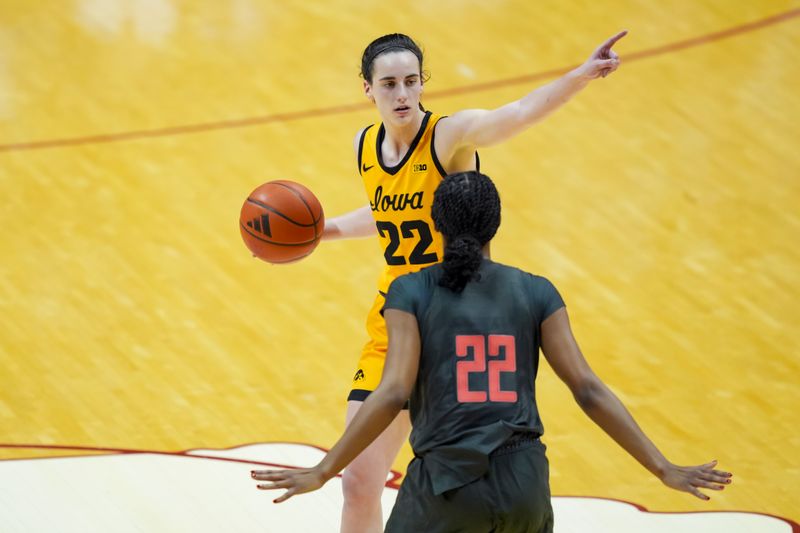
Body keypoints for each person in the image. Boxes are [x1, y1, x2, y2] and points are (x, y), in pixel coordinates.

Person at [252, 171, 733, 532]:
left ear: (435, 224)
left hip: (446, 486)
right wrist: (661, 466)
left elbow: (392, 390)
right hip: (524, 484)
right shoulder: (536, 291)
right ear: (496, 225)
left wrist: (324, 468)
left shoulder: (411, 291)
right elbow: (587, 389)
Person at [315, 31, 626, 532]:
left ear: (422, 84)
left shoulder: (448, 136)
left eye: (411, 82)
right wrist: (326, 230)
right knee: (357, 483)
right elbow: (388, 212)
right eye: (389, 83)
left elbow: (519, 113)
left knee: (472, 486)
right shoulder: (364, 146)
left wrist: (581, 75)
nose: (401, 95)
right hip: (394, 323)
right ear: (367, 89)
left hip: (457, 323)